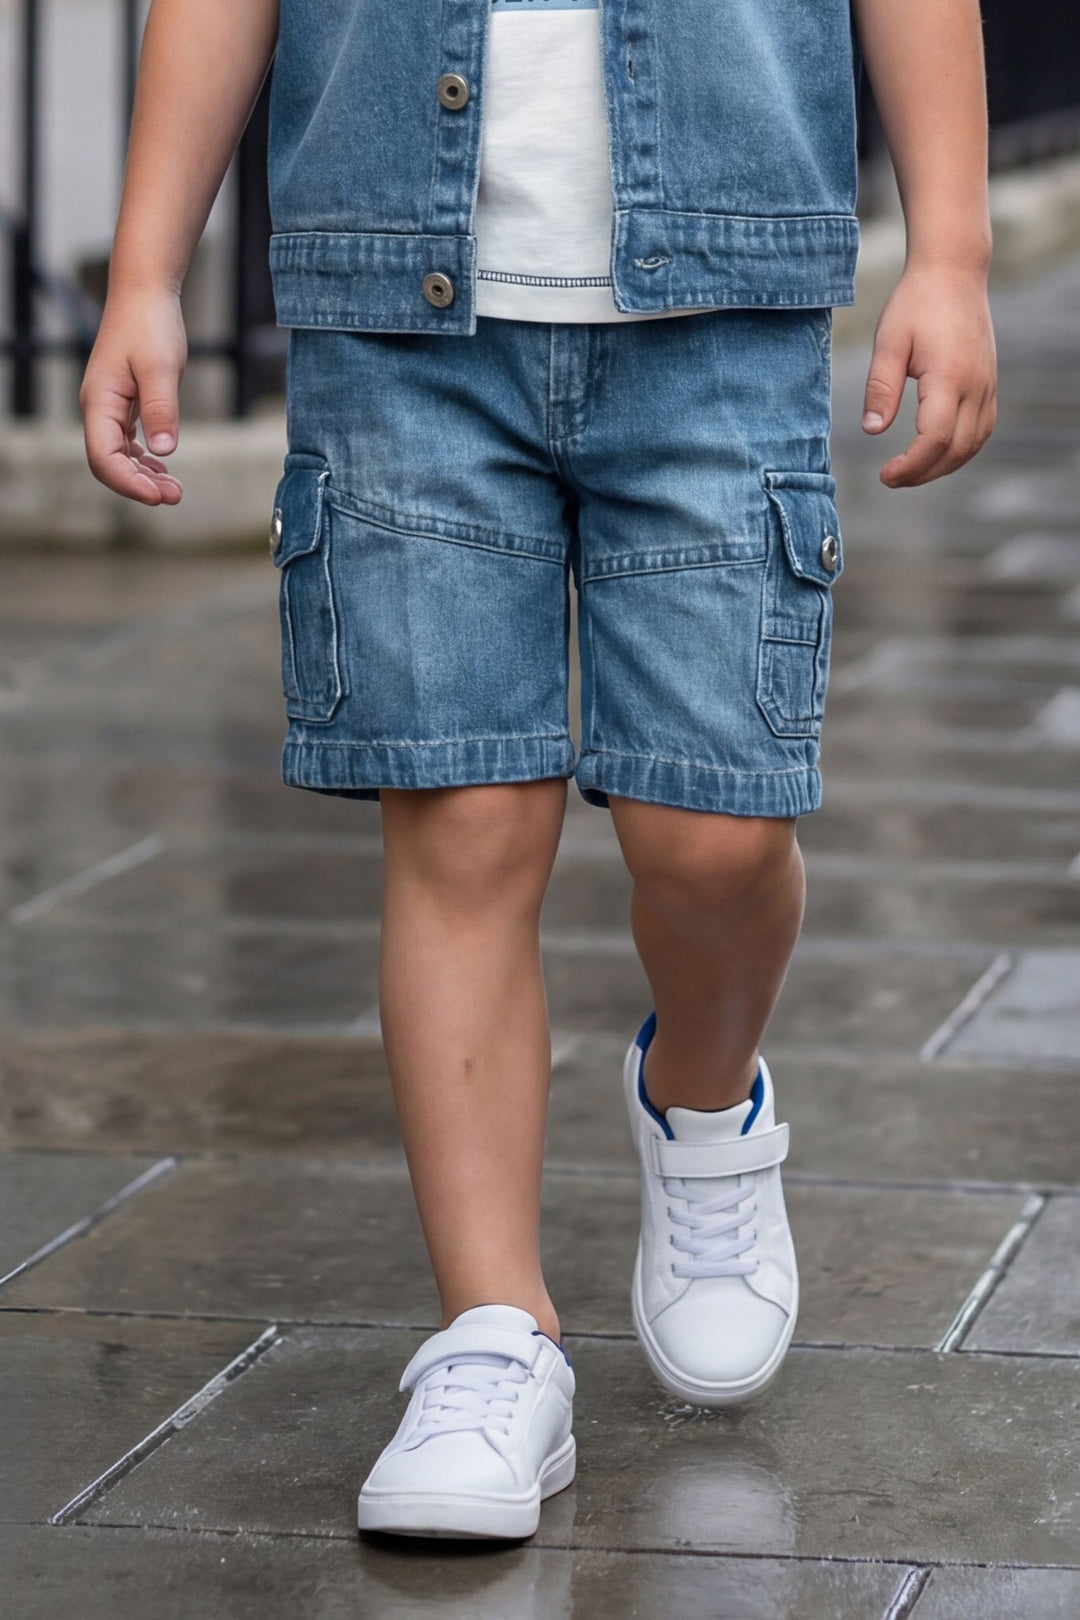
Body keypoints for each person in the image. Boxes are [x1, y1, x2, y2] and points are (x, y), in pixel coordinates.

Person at [80, 0, 997, 1543]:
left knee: (709, 834)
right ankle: (496, 1337)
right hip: (402, 318)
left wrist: (954, 254)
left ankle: (703, 1100)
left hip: (718, 309)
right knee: (461, 823)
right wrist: (144, 272)